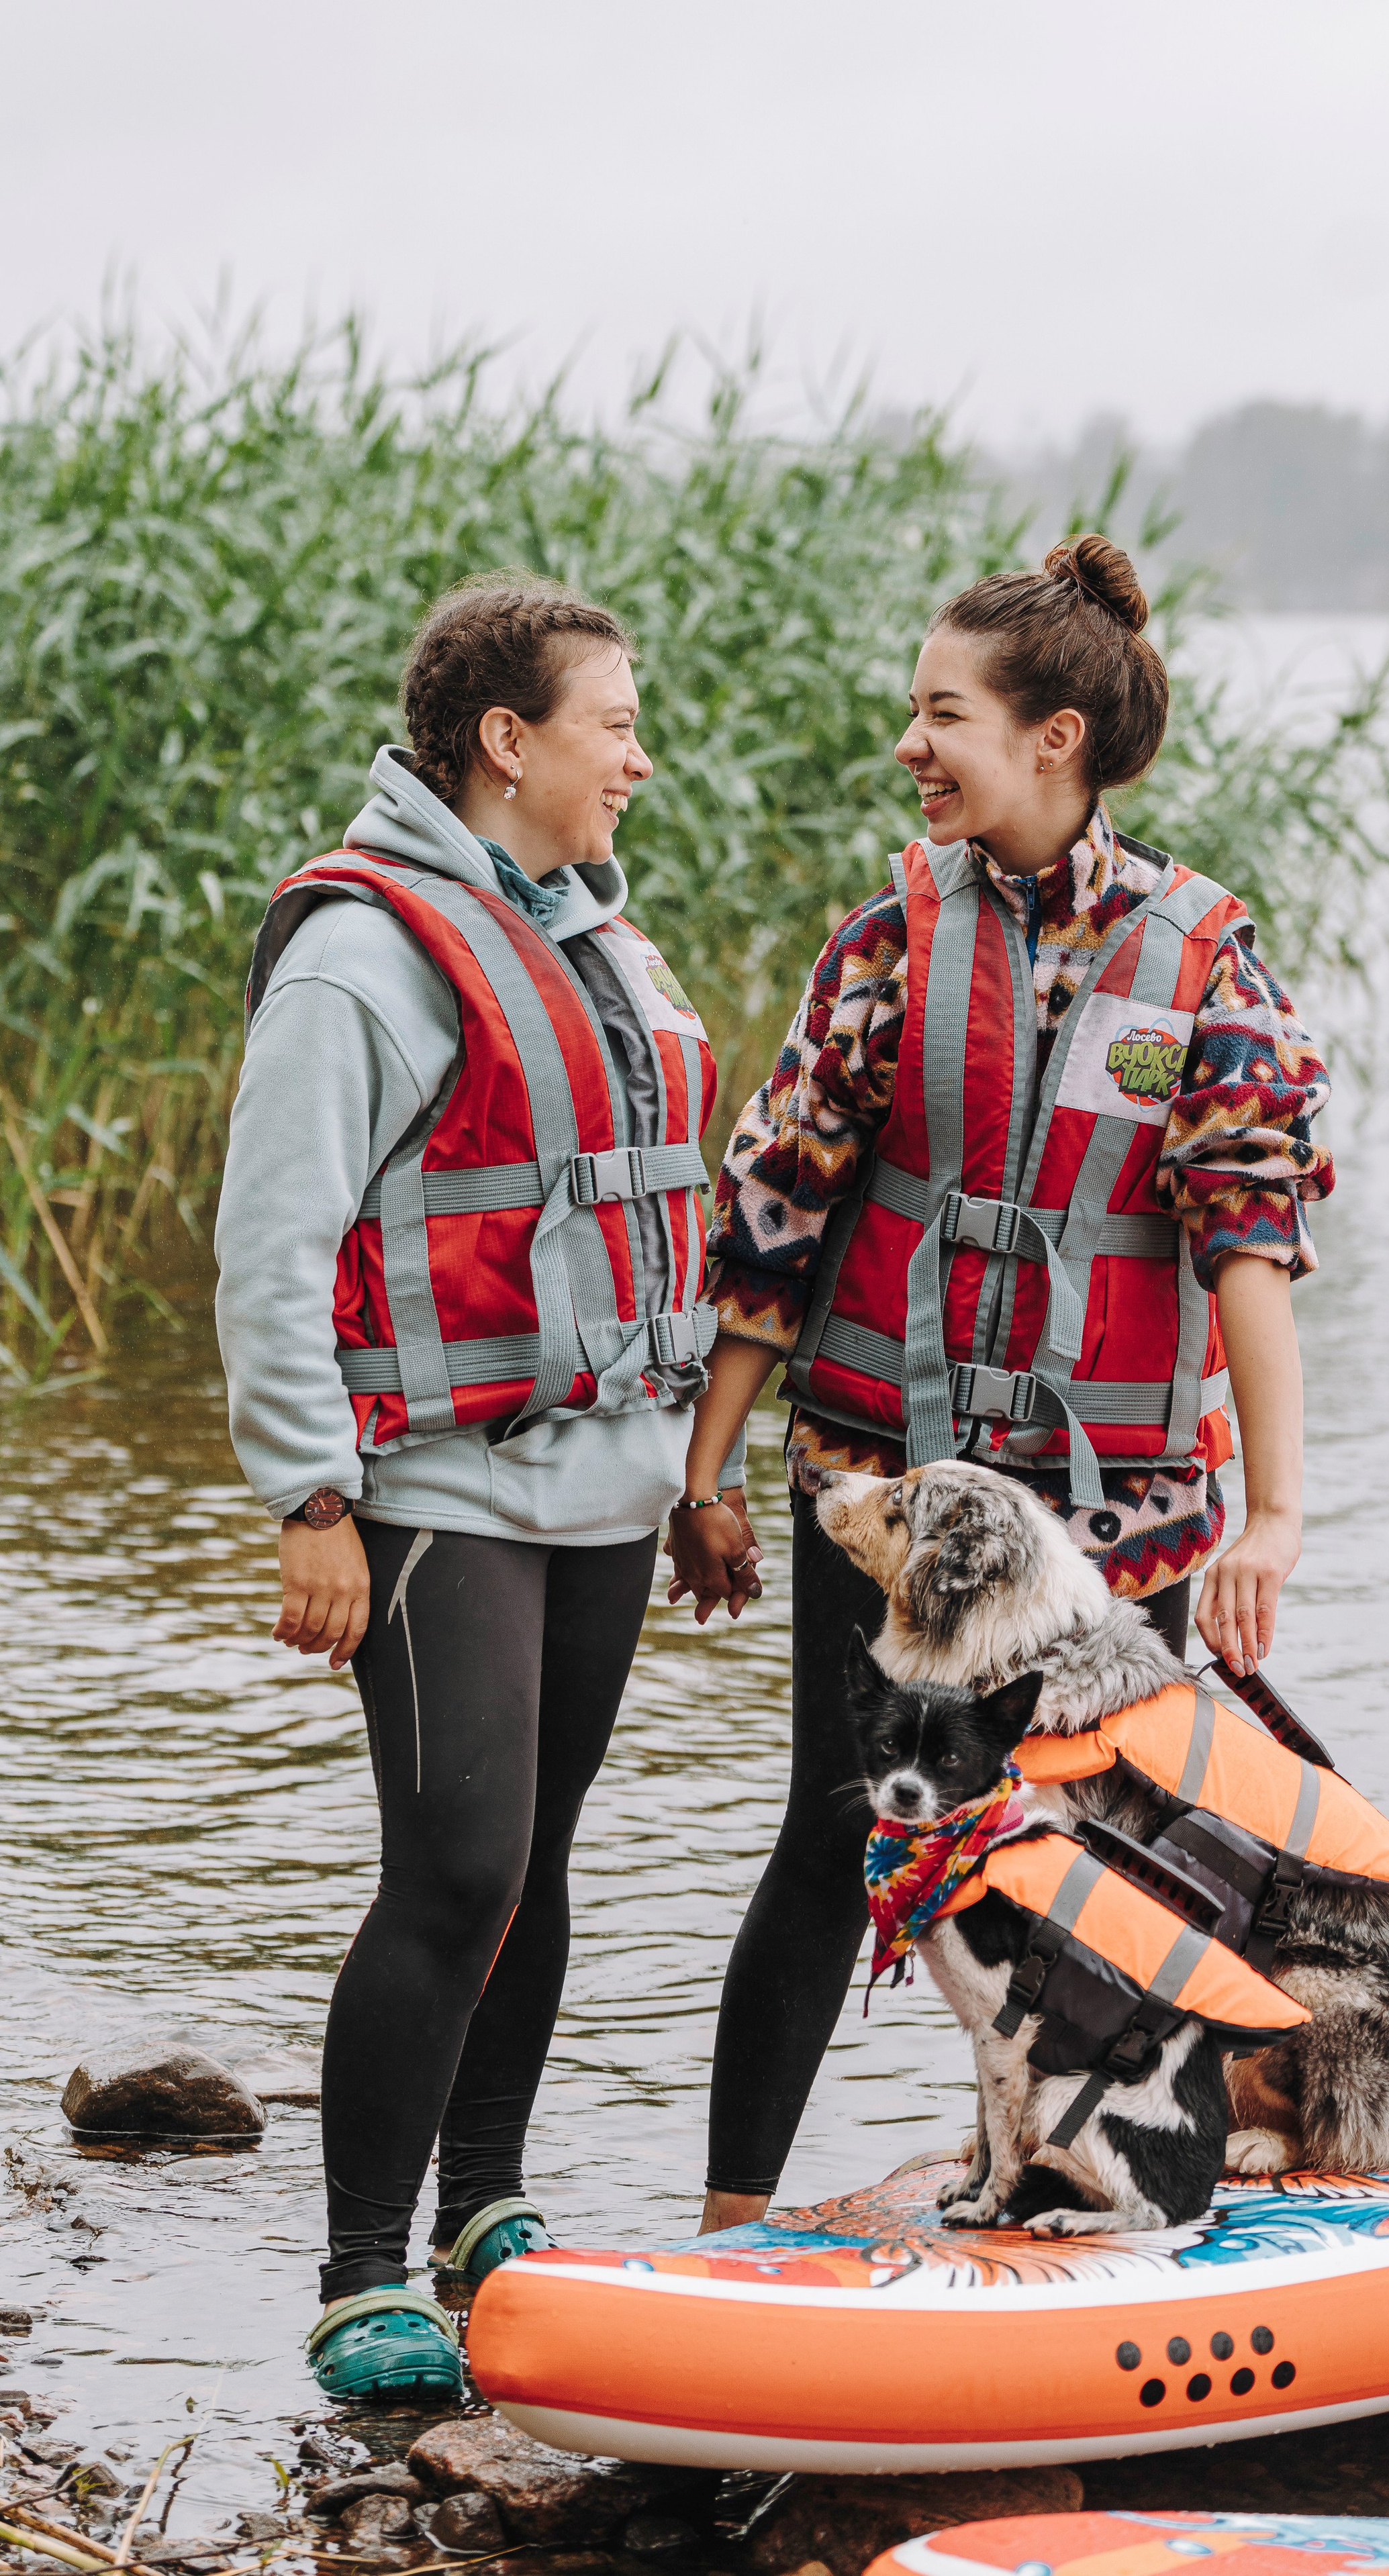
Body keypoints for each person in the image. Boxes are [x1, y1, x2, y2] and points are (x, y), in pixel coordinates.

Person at [666, 536, 1334, 2233]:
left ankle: (1111, 2186)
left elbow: (1246, 1239)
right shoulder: (886, 943)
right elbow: (774, 1216)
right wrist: (709, 1475)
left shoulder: (1204, 965)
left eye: (940, 712)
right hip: (888, 1492)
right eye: (912, 710)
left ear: (1053, 737)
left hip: (1120, 1515)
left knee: (1108, 1860)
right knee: (840, 1841)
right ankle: (735, 2222)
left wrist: (1268, 1510)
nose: (910, 742)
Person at [215, 575, 743, 2401]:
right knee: (454, 1867)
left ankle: (485, 2202)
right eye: (614, 720)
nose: (640, 754)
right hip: (440, 1483)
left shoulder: (603, 935)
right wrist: (309, 1494)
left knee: (537, 1866)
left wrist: (700, 1471)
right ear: (506, 743)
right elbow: (273, 1243)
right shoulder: (366, 951)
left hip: (606, 1476)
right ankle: (364, 2271)